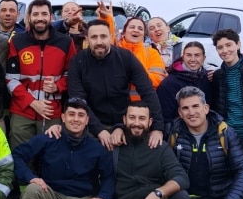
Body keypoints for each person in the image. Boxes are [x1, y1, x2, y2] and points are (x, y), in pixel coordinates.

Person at [67, 19, 164, 149]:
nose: (99, 42)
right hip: (92, 121)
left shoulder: (126, 58)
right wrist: (99, 130)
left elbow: (147, 91)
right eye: (94, 37)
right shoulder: (78, 62)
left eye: (103, 36)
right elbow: (79, 101)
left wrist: (157, 128)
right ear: (87, 39)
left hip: (124, 121)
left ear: (111, 37)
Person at [7, 0, 76, 146]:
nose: (40, 18)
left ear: (51, 17)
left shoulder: (65, 42)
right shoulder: (17, 41)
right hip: (22, 112)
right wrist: (32, 102)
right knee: (22, 157)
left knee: (51, 159)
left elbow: (73, 75)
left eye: (44, 14)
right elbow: (10, 79)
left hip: (52, 112)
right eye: (36, 14)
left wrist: (58, 86)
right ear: (29, 17)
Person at [157, 40, 215, 111]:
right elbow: (166, 115)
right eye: (188, 55)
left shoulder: (210, 78)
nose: (193, 59)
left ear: (204, 58)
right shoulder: (169, 83)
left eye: (197, 55)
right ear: (183, 57)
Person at [116, 17, 167, 91]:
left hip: (143, 101)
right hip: (116, 100)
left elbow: (158, 80)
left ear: (144, 35)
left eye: (140, 29)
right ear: (124, 32)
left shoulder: (152, 53)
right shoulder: (114, 50)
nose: (136, 30)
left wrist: (135, 72)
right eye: (132, 27)